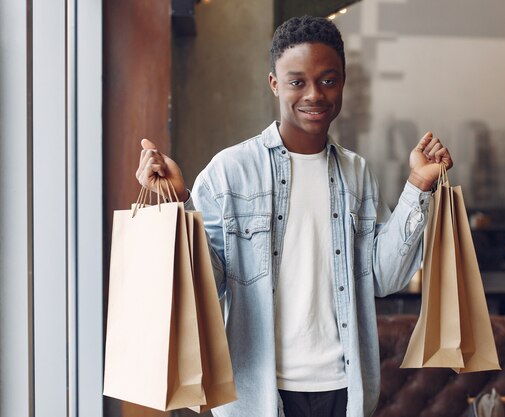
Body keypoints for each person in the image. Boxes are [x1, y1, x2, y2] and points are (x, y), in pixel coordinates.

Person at [136, 15, 453, 417]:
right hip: (257, 393)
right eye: (297, 81)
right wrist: (178, 201)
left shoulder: (357, 173)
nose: (314, 95)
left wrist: (418, 186)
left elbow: (384, 278)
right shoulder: (229, 171)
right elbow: (204, 285)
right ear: (274, 84)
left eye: (328, 80)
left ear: (343, 82)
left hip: (345, 389)